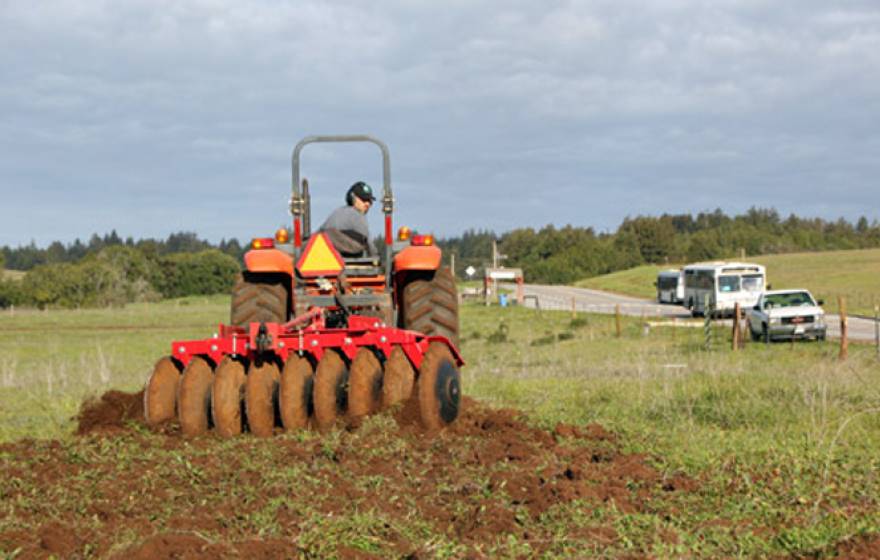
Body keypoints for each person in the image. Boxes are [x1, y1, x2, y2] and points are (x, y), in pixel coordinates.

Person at [319, 181, 377, 256]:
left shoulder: (337, 212)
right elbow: (369, 245)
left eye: (370, 201)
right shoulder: (357, 216)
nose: (368, 204)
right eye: (363, 200)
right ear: (352, 198)